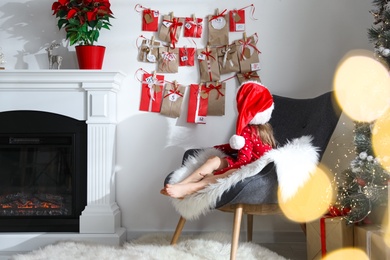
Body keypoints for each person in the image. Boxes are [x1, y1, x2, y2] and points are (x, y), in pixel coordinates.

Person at [161, 81, 276, 199]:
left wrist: (219, 173)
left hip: (254, 168)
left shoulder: (248, 130)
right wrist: (217, 148)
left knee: (228, 173)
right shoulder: (263, 129)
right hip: (248, 162)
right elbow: (241, 147)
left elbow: (244, 161)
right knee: (214, 160)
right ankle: (183, 184)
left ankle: (192, 187)